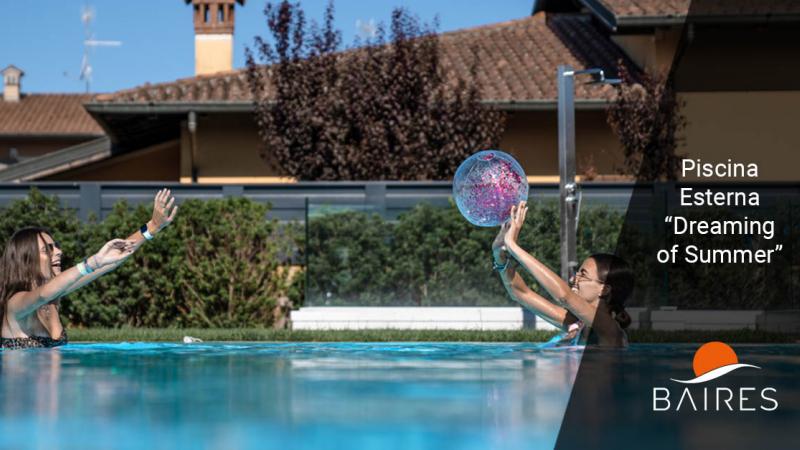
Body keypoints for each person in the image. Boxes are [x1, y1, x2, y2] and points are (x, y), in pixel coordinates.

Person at [0, 189, 178, 350]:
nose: (59, 252)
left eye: (56, 246)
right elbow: (42, 294)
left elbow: (110, 262)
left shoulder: (54, 296)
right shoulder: (15, 303)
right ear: (26, 259)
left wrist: (152, 227)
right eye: (47, 249)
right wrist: (91, 263)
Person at [493, 201, 633, 347]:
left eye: (582, 275)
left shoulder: (610, 328)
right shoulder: (576, 324)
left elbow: (564, 296)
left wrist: (513, 246)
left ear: (604, 289)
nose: (573, 279)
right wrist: (500, 257)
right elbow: (520, 293)